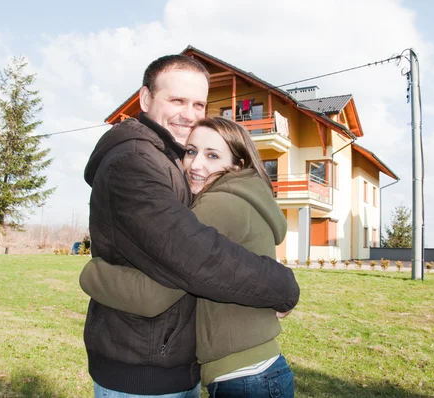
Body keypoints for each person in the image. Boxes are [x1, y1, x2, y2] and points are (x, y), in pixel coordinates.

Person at [83, 54, 300, 398]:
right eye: (177, 100)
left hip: (188, 367)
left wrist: (93, 274)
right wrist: (281, 286)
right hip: (143, 371)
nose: (190, 113)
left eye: (199, 103)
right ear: (145, 99)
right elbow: (191, 256)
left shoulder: (173, 161)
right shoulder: (136, 159)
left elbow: (190, 260)